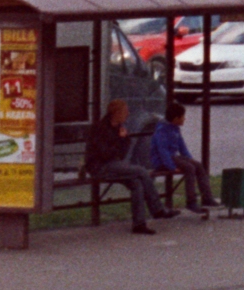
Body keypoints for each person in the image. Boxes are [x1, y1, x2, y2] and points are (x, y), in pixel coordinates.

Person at [84, 99, 167, 234]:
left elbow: (121, 155)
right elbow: (104, 155)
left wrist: (124, 139)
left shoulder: (119, 128)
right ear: (116, 113)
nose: (128, 114)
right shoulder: (100, 128)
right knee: (141, 171)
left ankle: (139, 224)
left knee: (137, 183)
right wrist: (119, 139)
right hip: (99, 167)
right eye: (125, 111)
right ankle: (157, 208)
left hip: (113, 165)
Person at [149, 112, 215, 218]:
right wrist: (171, 167)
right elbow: (163, 151)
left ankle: (207, 197)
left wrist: (189, 158)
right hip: (162, 161)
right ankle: (191, 201)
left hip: (173, 157)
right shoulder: (162, 130)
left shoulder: (175, 129)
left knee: (198, 165)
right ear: (176, 118)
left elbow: (182, 146)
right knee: (189, 168)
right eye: (182, 116)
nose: (185, 119)